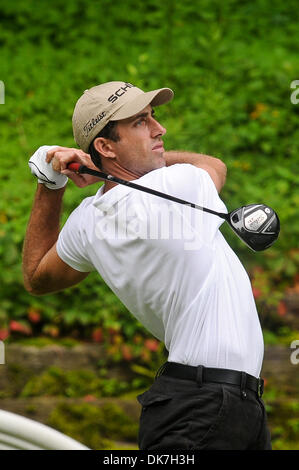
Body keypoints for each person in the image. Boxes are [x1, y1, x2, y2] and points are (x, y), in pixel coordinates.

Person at [23, 81, 271, 450]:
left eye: (152, 117)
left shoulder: (87, 221)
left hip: (215, 404)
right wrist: (103, 169)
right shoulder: (179, 185)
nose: (159, 129)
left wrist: (51, 182)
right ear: (105, 146)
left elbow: (36, 277)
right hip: (202, 405)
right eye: (140, 122)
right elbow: (212, 164)